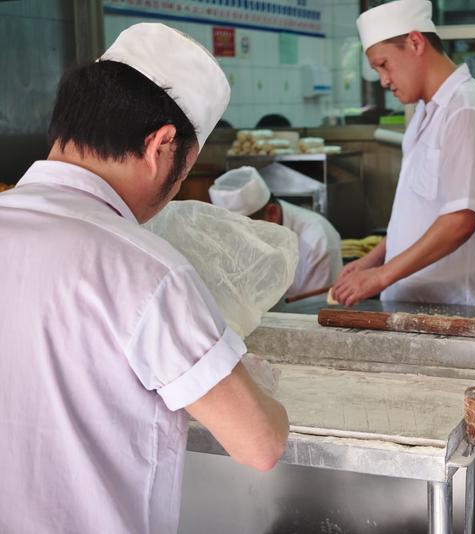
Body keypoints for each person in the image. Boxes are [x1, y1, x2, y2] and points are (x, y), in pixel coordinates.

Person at [0, 23, 288, 534]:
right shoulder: (148, 269)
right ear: (161, 146)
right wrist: (259, 384)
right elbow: (260, 444)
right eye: (184, 173)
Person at [331, 0, 475, 308]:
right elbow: (417, 213)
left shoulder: (466, 109)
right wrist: (371, 262)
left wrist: (381, 276)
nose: (384, 81)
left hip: (455, 306)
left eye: (383, 65)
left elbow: (460, 220)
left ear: (415, 42)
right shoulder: (426, 112)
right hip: (414, 304)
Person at [209, 166, 343, 297]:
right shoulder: (233, 235)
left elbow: (316, 307)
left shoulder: (317, 238)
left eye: (246, 229)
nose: (239, 239)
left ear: (272, 213)